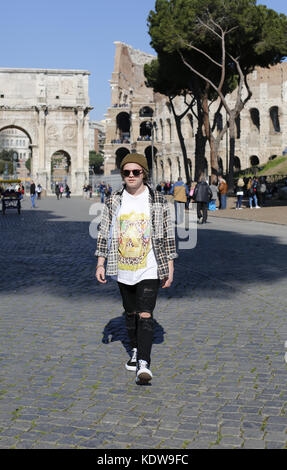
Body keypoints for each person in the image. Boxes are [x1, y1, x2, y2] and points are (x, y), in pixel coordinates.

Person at [95, 153, 177, 384]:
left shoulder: (159, 200)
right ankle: (134, 350)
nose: (131, 176)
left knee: (145, 313)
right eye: (126, 172)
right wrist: (100, 263)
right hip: (122, 266)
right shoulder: (113, 201)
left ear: (144, 173)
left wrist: (169, 267)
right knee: (130, 314)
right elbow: (103, 233)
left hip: (150, 266)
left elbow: (168, 236)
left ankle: (144, 363)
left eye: (136, 172)